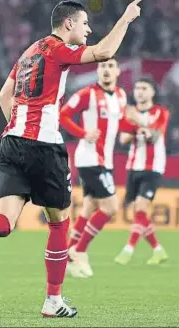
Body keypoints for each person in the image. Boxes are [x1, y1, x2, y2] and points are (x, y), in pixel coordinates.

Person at [0, 0, 145, 318]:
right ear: (68, 25)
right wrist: (127, 19)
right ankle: (53, 300)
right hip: (44, 147)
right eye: (85, 23)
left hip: (10, 143)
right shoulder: (57, 48)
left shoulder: (27, 52)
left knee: (5, 222)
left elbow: (3, 95)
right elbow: (104, 52)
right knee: (59, 222)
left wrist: (18, 128)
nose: (89, 29)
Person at [60, 57, 144, 278]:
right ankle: (78, 252)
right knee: (110, 208)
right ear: (98, 71)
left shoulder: (120, 96)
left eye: (110, 66)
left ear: (117, 71)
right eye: (103, 66)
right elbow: (63, 115)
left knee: (89, 208)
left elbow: (119, 124)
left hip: (104, 160)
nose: (106, 70)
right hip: (90, 159)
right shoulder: (87, 94)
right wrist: (83, 133)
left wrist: (136, 130)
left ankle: (67, 254)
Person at [115, 77, 170, 265]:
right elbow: (122, 139)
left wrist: (138, 121)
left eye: (144, 88)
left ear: (152, 92)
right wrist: (133, 125)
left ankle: (128, 250)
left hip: (153, 167)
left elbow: (155, 136)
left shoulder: (161, 113)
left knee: (140, 206)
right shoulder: (128, 113)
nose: (139, 91)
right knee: (138, 212)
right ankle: (158, 250)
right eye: (137, 88)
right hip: (133, 165)